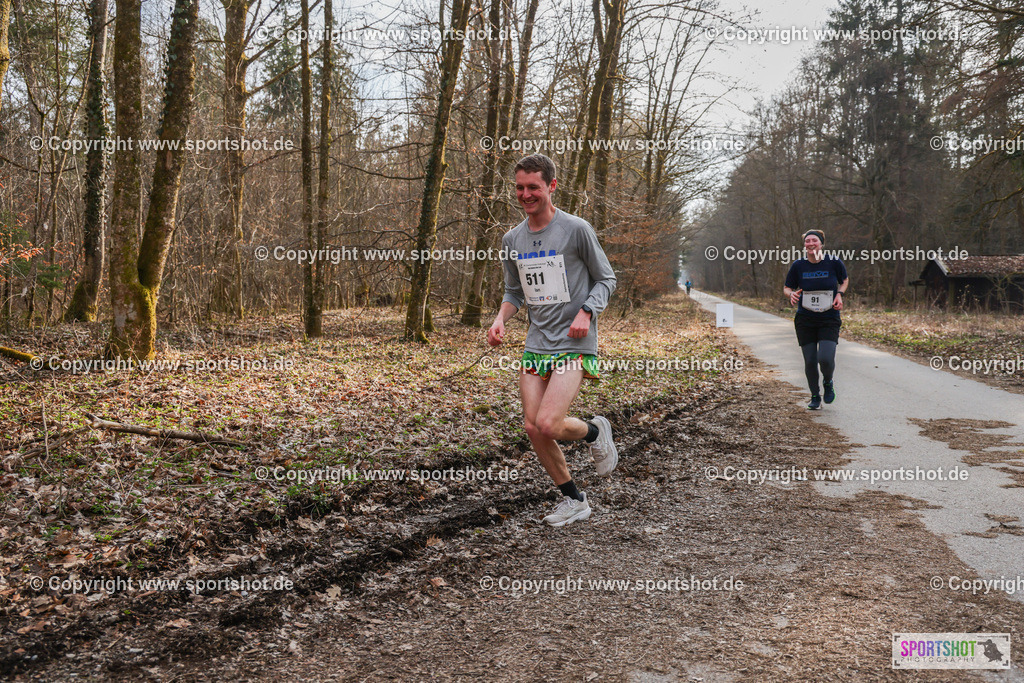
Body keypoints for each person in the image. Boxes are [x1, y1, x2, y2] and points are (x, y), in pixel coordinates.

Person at [487, 154, 618, 527]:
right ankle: (574, 500)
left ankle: (595, 431)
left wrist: (587, 312)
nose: (526, 194)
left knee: (547, 423)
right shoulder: (512, 239)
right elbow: (514, 292)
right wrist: (499, 320)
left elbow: (606, 279)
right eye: (520, 187)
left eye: (534, 187)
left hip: (574, 341)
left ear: (551, 187)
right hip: (536, 341)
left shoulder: (576, 229)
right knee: (532, 427)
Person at [783, 230, 849, 410]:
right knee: (810, 360)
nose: (811, 243)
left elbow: (844, 280)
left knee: (826, 359)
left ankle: (828, 382)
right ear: (804, 245)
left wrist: (840, 295)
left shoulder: (834, 262)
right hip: (805, 319)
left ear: (821, 244)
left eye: (814, 240)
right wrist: (791, 295)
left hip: (829, 318)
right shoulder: (798, 265)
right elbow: (787, 287)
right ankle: (814, 396)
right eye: (807, 241)